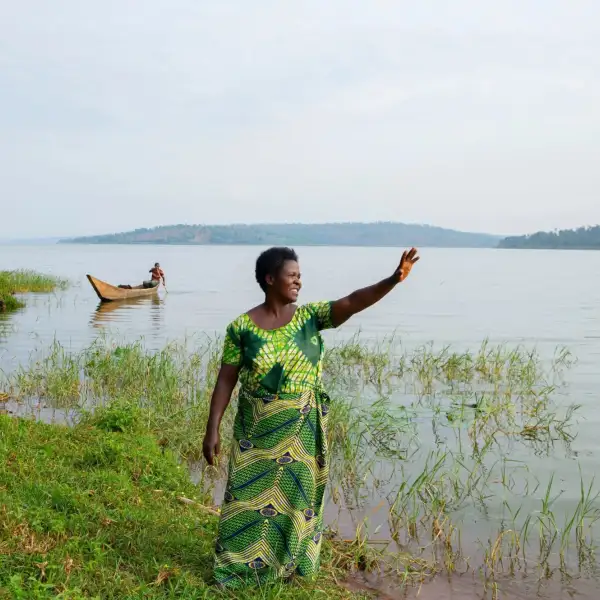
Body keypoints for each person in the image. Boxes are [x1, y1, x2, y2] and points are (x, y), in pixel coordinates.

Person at [203, 246, 420, 588]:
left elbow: (353, 301)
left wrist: (393, 279)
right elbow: (226, 379)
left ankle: (289, 568)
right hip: (256, 430)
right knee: (246, 498)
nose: (299, 282)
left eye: (300, 276)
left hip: (302, 429)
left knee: (296, 500)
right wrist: (212, 428)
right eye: (292, 275)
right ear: (270, 279)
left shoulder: (310, 318)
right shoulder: (241, 328)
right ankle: (238, 568)